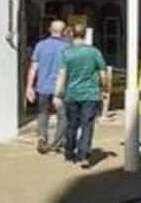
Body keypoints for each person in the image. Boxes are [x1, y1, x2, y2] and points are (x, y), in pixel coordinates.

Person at [53, 23, 109, 169]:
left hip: (71, 94)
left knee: (72, 123)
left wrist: (57, 94)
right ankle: (83, 154)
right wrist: (105, 89)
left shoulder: (67, 53)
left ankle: (69, 152)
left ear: (72, 34)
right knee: (87, 124)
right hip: (90, 94)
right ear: (85, 34)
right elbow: (103, 73)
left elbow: (62, 74)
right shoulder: (94, 52)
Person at [26, 19, 69, 155]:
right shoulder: (68, 47)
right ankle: (55, 143)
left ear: (50, 30)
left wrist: (29, 87)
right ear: (64, 31)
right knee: (63, 116)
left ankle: (42, 137)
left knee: (43, 113)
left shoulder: (40, 46)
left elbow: (33, 68)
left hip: (42, 87)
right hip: (61, 88)